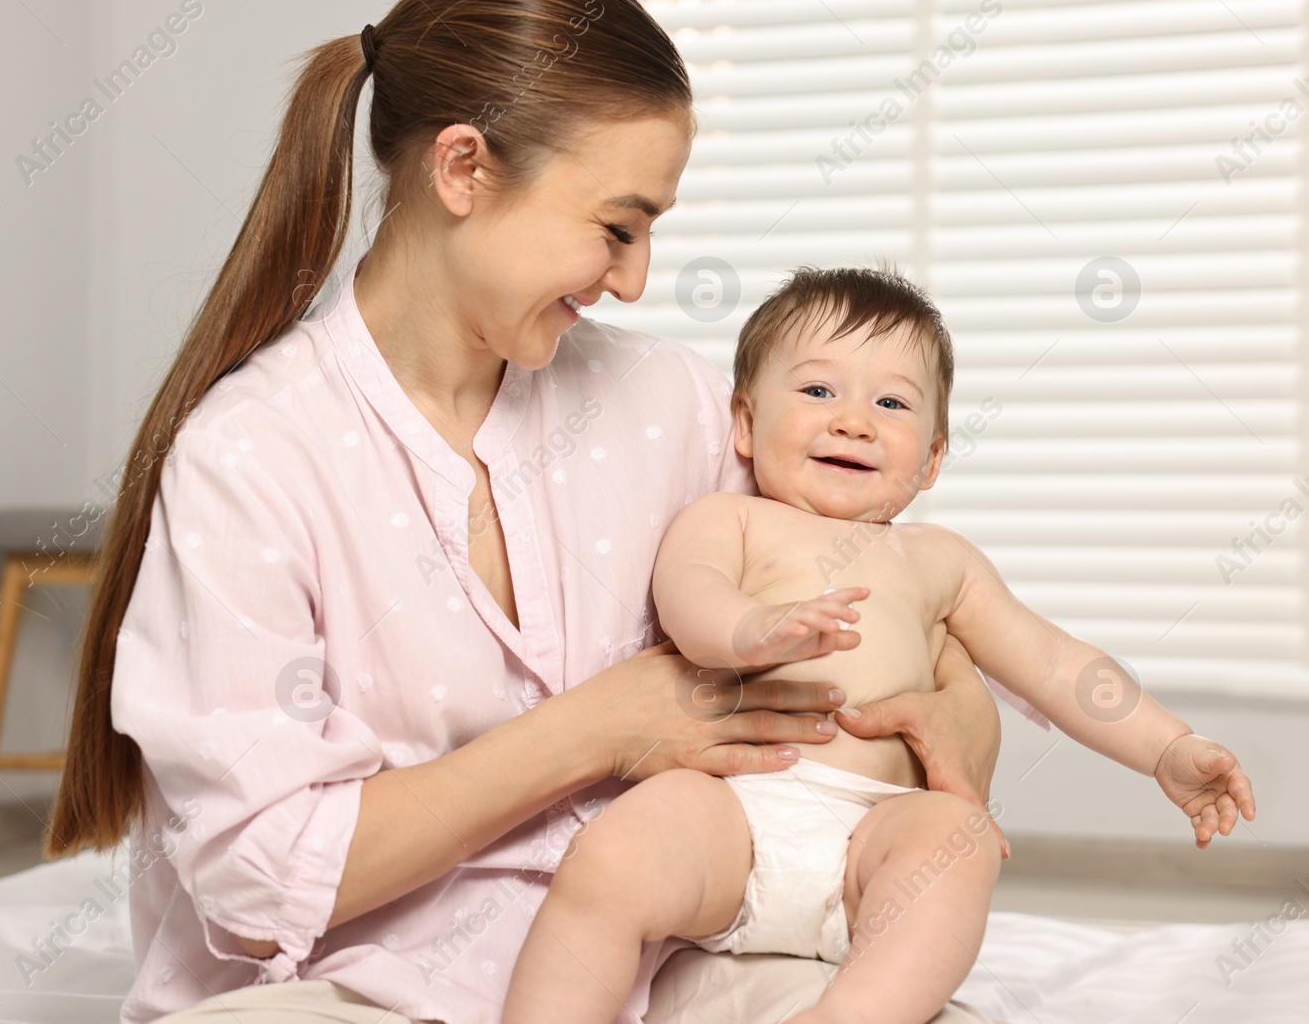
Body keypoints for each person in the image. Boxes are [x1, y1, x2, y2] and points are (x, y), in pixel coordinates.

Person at [45, 0, 1020, 1021]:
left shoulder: (672, 406)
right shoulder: (251, 456)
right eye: (616, 225)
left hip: (662, 960)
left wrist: (951, 717)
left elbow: (885, 610)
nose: (636, 277)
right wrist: (590, 730)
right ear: (462, 167)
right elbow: (258, 877)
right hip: (348, 981)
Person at [500, 267, 1259, 1024]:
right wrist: (755, 629)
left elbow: (1056, 661)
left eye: (891, 402)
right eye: (818, 391)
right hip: (735, 809)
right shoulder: (730, 518)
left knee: (956, 840)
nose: (854, 421)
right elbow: (690, 597)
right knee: (617, 853)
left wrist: (1167, 747)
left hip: (874, 830)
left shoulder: (940, 560)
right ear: (744, 422)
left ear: (930, 458)